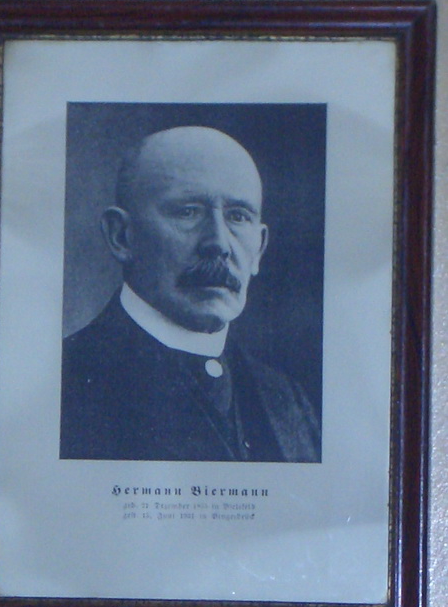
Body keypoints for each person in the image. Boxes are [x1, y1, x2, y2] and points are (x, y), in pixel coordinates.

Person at [60, 126, 321, 462]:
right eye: (188, 212)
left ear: (258, 248)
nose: (218, 244)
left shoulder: (289, 401)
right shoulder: (65, 383)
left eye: (238, 217)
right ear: (121, 236)